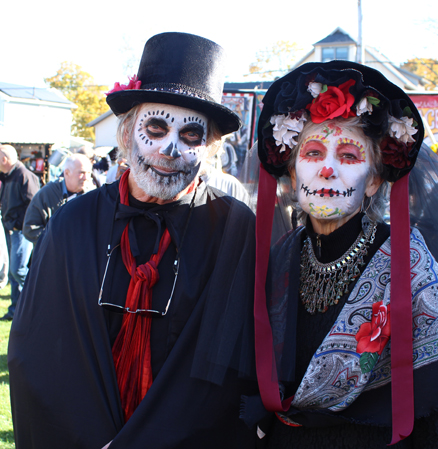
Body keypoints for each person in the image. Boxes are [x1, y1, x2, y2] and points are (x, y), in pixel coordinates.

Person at [8, 32, 257, 449]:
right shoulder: (74, 224)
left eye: (191, 135)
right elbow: (39, 351)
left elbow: (233, 368)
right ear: (127, 133)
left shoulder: (233, 231)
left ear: (209, 147)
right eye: (155, 128)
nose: (169, 149)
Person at [247, 61, 438, 448]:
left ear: (375, 179)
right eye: (312, 153)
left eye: (347, 155)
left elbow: (436, 408)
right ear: (293, 176)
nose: (327, 170)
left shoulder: (408, 262)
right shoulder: (281, 256)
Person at [0, 144, 39, 320]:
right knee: (13, 274)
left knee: (18, 270)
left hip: (21, 231)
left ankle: (36, 300)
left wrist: (20, 224)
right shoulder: (9, 176)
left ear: (4, 159)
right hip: (12, 230)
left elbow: (33, 205)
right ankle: (16, 311)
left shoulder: (24, 175)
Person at [23, 153, 93, 244]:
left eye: (89, 173)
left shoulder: (90, 194)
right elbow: (30, 229)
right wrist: (58, 239)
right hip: (53, 255)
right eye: (82, 173)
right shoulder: (47, 194)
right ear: (67, 173)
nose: (86, 178)